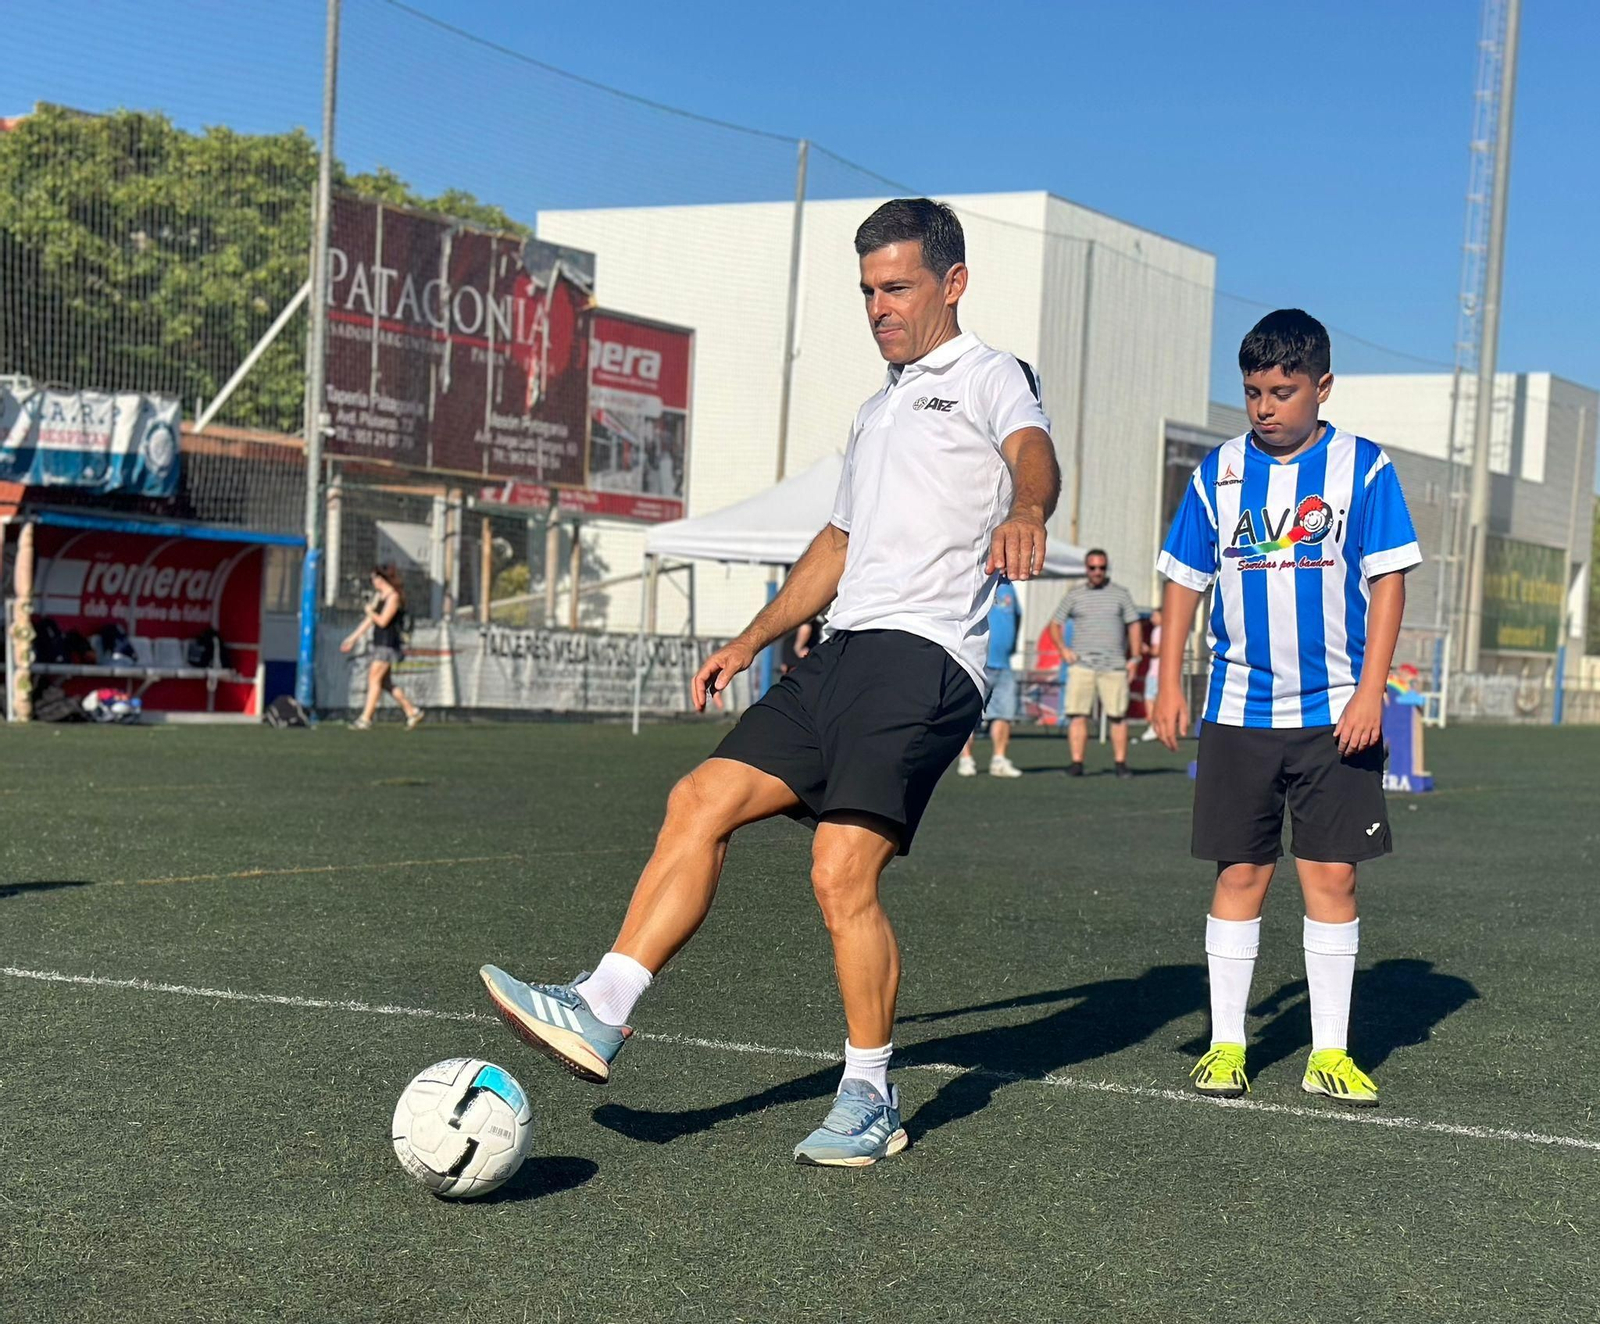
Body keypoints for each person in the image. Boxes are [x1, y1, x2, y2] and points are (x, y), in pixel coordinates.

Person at [478, 197, 1059, 1166]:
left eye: (897, 287)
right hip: (840, 649)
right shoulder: (876, 409)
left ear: (952, 284)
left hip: (923, 657)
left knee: (840, 870)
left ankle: (869, 1095)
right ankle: (602, 1007)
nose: (878, 306)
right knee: (699, 796)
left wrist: (1029, 508)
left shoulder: (990, 376)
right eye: (867, 290)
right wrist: (751, 637)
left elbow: (1030, 453)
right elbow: (837, 541)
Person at [1152, 308, 1421, 1108]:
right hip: (1238, 710)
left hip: (1336, 712)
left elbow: (1389, 581)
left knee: (1332, 877)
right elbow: (1181, 581)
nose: (1265, 406)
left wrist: (1372, 691)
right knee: (1241, 872)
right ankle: (1227, 1044)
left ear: (1321, 386)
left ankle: (1329, 1053)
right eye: (1253, 392)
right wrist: (1168, 680)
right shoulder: (1218, 472)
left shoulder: (1363, 470)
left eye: (1282, 390)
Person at [1047, 550, 1140, 778]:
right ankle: (1077, 763)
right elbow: (1055, 623)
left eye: (1101, 568)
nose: (1097, 572)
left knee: (1118, 716)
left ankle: (1120, 764)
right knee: (1077, 715)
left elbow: (1134, 625)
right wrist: (1063, 650)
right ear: (1086, 569)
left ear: (1106, 568)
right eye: (1092, 568)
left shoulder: (1121, 594)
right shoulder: (1074, 594)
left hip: (1114, 665)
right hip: (1082, 664)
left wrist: (1135, 658)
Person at [340, 565, 425, 731]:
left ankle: (365, 719)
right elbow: (369, 621)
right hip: (379, 642)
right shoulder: (379, 596)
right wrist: (353, 638)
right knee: (385, 683)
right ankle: (412, 711)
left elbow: (383, 621)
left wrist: (370, 612)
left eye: (375, 578)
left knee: (374, 680)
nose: (373, 582)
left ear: (382, 579)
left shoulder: (393, 597)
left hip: (388, 644)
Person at [957, 577, 1024, 777]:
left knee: (1004, 714)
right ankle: (966, 759)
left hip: (1003, 664)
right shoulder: (975, 580)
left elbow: (1016, 619)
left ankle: (999, 759)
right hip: (976, 662)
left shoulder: (1009, 588)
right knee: (968, 714)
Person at [1138, 607, 1163, 741]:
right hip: (1162, 672)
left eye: (1155, 616)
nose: (1152, 619)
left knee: (1149, 698)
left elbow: (1156, 651)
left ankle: (1154, 726)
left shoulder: (1158, 631)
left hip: (1155, 671)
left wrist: (1145, 649)